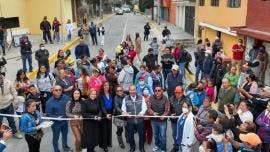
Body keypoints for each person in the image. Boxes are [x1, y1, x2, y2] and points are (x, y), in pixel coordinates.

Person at [45, 85, 72, 152]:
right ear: (53, 91)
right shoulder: (49, 102)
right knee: (56, 137)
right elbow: (48, 114)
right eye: (56, 90)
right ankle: (56, 150)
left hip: (65, 122)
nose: (58, 91)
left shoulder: (66, 98)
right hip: (55, 123)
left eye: (60, 90)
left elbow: (71, 105)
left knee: (65, 135)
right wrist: (56, 118)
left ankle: (65, 146)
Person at [121, 85, 147, 152]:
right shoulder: (125, 98)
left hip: (140, 120)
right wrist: (126, 113)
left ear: (136, 90)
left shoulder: (141, 97)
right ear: (129, 91)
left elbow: (144, 107)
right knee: (130, 135)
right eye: (131, 90)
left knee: (141, 135)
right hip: (130, 121)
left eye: (134, 90)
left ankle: (141, 147)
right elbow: (123, 109)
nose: (132, 91)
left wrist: (141, 113)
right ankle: (132, 147)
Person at [0, 73, 23, 139]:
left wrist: (15, 103)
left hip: (8, 105)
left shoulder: (8, 82)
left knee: (11, 121)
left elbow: (14, 93)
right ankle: (1, 134)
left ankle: (14, 132)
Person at [148, 86, 170, 152]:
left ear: (162, 91)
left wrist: (164, 115)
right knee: (155, 135)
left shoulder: (165, 99)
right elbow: (148, 107)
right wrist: (153, 113)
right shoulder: (151, 97)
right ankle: (157, 145)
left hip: (162, 121)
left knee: (163, 136)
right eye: (156, 90)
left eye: (159, 90)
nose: (157, 92)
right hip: (153, 121)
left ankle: (163, 148)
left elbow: (168, 109)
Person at [169, 86, 190, 152]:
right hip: (174, 121)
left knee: (183, 134)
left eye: (178, 92)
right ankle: (176, 146)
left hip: (183, 122)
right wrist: (170, 114)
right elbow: (168, 109)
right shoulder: (171, 98)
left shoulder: (187, 99)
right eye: (175, 92)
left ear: (182, 92)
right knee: (174, 134)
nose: (176, 94)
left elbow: (189, 110)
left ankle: (183, 147)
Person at [99, 82, 113, 152]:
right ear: (103, 86)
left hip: (110, 113)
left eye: (107, 85)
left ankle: (108, 143)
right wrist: (106, 114)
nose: (106, 86)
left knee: (109, 129)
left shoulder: (111, 93)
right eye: (105, 85)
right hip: (104, 114)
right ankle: (104, 146)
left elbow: (112, 104)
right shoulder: (101, 95)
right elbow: (102, 106)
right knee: (104, 130)